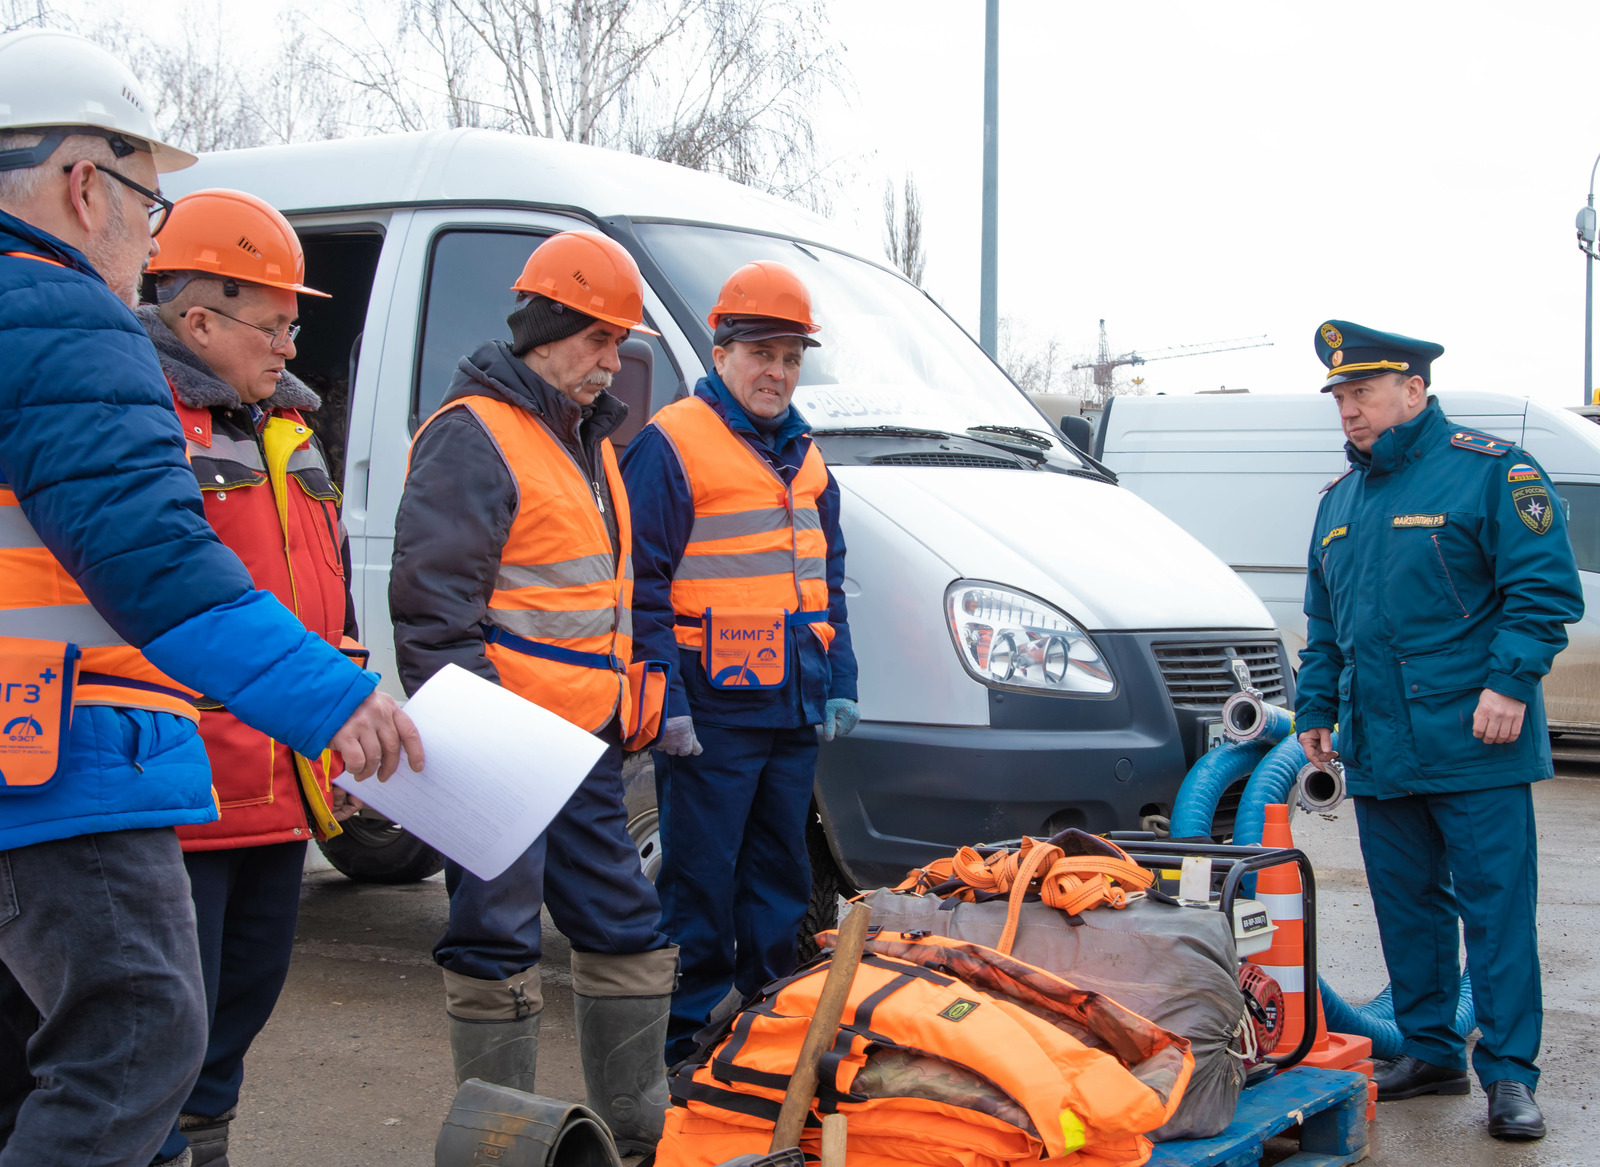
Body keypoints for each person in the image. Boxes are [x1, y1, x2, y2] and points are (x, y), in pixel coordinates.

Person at [0, 29, 422, 1167]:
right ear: (85, 184)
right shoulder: (61, 317)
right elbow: (157, 565)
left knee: (27, 1059)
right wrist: (328, 696)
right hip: (64, 750)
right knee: (138, 1038)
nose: (151, 233)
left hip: (52, 747)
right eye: (148, 199)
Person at [389, 230, 677, 1153]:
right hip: (505, 747)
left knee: (627, 925)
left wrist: (627, 705)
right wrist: (485, 752)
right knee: (493, 941)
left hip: (585, 747)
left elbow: (597, 602)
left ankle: (634, 1138)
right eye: (598, 341)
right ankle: (498, 1143)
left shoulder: (587, 443)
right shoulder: (474, 435)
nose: (613, 362)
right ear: (547, 329)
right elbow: (435, 620)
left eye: (619, 343)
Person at [1294, 320, 1582, 1142]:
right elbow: (1325, 625)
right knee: (1407, 907)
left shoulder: (1490, 472)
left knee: (1495, 912)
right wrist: (1317, 708)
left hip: (1476, 739)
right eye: (1341, 398)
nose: (1349, 412)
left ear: (1414, 390)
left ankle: (1510, 1075)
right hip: (1380, 747)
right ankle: (1430, 1049)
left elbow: (1546, 592)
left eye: (1363, 394)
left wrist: (1511, 682)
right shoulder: (1339, 503)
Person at [133, 188, 371, 1167]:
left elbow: (327, 598)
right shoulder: (143, 426)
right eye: (273, 324)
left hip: (283, 786)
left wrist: (348, 719)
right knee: (154, 1039)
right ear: (198, 320)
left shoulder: (288, 431)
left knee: (236, 1018)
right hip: (182, 794)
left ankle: (205, 1147)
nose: (289, 347)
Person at [620, 261, 859, 1064]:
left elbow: (829, 582)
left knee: (781, 879)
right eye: (762, 352)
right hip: (710, 711)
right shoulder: (672, 443)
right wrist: (664, 698)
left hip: (792, 705)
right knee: (699, 880)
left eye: (791, 358)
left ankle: (769, 1029)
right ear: (721, 352)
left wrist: (843, 682)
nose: (778, 372)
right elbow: (639, 584)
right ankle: (679, 1041)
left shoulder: (808, 456)